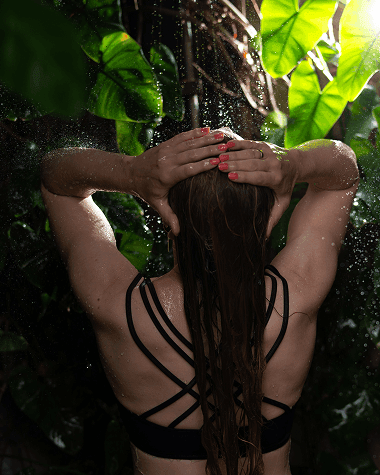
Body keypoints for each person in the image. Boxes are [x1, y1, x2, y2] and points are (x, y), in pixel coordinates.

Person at [40, 127, 359, 475]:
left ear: (169, 218)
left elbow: (58, 179)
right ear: (266, 221)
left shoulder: (121, 308)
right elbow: (343, 174)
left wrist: (133, 173)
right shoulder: (297, 294)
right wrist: (293, 164)